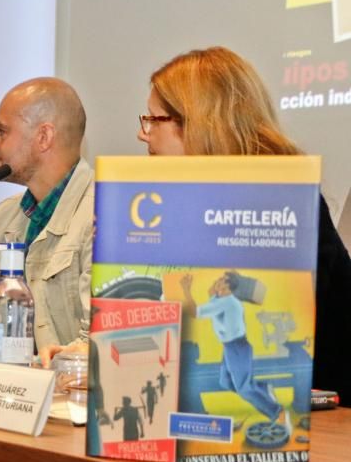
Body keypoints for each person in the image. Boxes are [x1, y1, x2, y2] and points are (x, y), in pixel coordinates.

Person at [139, 46, 351, 406]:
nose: (144, 135)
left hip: (321, 419)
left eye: (153, 119)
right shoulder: (185, 204)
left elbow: (268, 306)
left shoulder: (280, 204)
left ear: (198, 122)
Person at [0, 77, 94, 363]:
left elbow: (93, 345)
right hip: (9, 392)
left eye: (2, 132)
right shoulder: (1, 218)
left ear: (44, 137)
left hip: (67, 399)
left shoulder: (105, 218)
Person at [180, 271, 285, 424]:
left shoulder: (227, 302)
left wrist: (186, 290)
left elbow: (194, 312)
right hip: (231, 348)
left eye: (222, 280)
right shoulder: (221, 299)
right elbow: (211, 294)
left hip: (237, 348)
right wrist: (215, 288)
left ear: (228, 286)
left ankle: (277, 412)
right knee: (226, 382)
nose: (217, 280)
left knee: (243, 389)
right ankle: (263, 388)